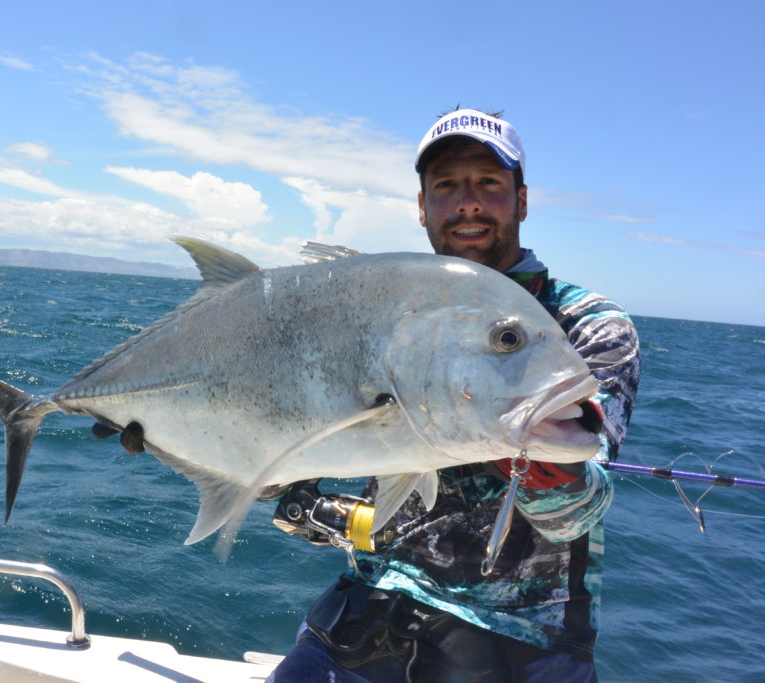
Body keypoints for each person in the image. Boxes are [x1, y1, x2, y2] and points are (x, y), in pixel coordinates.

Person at [267, 108, 642, 682]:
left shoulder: (584, 324)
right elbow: (295, 451)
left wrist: (545, 466)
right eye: (446, 185)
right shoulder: (382, 309)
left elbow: (580, 503)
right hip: (370, 607)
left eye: (488, 183)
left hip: (521, 638)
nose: (468, 201)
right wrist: (200, 441)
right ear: (423, 206)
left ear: (521, 200)